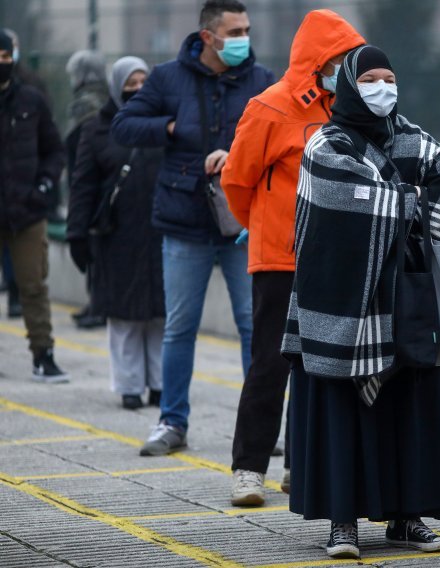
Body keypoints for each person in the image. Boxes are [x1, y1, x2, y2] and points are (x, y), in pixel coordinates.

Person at [280, 45, 440, 560]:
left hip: (406, 296)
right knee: (344, 411)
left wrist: (391, 205)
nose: (384, 87)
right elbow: (343, 202)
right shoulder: (324, 143)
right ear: (349, 87)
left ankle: (410, 518)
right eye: (372, 79)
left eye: (390, 76)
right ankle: (343, 524)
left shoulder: (412, 136)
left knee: (414, 407)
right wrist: (407, 204)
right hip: (341, 304)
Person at [112, 0, 274, 456]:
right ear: (208, 36)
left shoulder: (262, 81)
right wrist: (169, 126)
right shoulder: (166, 78)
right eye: (235, 30)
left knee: (253, 327)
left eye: (246, 29)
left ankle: (260, 428)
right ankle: (172, 421)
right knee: (180, 327)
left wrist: (239, 157)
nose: (244, 38)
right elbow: (124, 125)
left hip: (242, 224)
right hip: (184, 222)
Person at [221, 9, 365, 507]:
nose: (345, 67)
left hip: (331, 259)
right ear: (317, 59)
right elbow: (237, 181)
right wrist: (262, 227)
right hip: (281, 258)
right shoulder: (270, 107)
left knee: (320, 365)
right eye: (339, 59)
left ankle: (300, 466)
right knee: (269, 362)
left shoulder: (347, 107)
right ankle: (247, 468)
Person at [67, 57, 165, 411]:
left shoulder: (163, 123)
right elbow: (83, 185)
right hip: (116, 236)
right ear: (116, 85)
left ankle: (160, 384)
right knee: (124, 318)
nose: (137, 88)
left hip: (159, 233)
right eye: (129, 82)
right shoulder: (95, 129)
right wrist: (76, 233)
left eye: (143, 80)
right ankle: (128, 386)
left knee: (160, 316)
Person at [0, 30, 68, 382]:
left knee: (34, 286)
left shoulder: (31, 100)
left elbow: (55, 150)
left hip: (26, 212)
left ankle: (43, 355)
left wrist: (43, 186)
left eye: (5, 57)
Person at [65, 49, 108, 330]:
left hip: (91, 183)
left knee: (96, 250)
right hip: (102, 182)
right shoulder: (106, 96)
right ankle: (96, 303)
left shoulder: (84, 104)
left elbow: (75, 143)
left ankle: (99, 304)